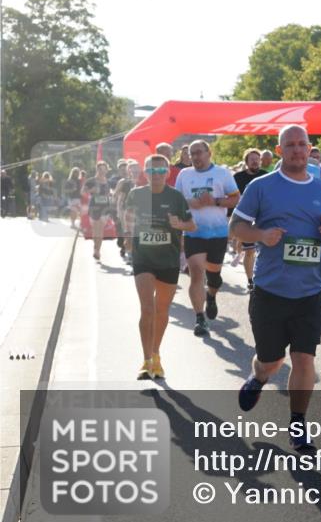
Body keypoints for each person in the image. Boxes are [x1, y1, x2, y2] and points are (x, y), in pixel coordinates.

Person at [232, 125, 321, 453]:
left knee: (304, 358)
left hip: (311, 291)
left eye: (302, 145)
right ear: (280, 150)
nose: (297, 150)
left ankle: (298, 423)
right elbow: (236, 226)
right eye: (290, 145)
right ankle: (259, 377)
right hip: (270, 290)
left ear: (309, 148)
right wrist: (262, 235)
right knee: (271, 360)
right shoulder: (261, 187)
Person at [124, 154, 196, 380]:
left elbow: (192, 225)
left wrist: (179, 224)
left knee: (161, 310)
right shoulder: (136, 194)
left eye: (160, 171)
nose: (156, 175)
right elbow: (127, 217)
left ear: (167, 173)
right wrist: (128, 234)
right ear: (145, 173)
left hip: (168, 259)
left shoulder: (175, 197)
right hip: (144, 258)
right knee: (146, 308)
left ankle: (156, 354)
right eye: (152, 171)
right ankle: (146, 361)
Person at [175, 140, 240, 337]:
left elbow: (236, 198)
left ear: (208, 153)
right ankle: (200, 318)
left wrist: (216, 201)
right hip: (193, 232)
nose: (195, 157)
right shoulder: (184, 175)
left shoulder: (222, 173)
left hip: (218, 233)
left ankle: (211, 295)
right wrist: (189, 203)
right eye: (191, 153)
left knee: (214, 274)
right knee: (196, 273)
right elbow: (175, 201)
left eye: (198, 153)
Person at [233, 148, 267, 290]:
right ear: (246, 162)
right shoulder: (238, 177)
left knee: (264, 251)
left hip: (263, 217)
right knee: (250, 251)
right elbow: (233, 198)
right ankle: (250, 280)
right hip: (245, 218)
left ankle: (264, 277)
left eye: (257, 159)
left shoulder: (266, 176)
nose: (254, 161)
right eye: (251, 159)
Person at [84, 161, 114, 260]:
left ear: (106, 170)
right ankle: (95, 247)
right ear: (97, 170)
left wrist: (111, 195)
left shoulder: (108, 181)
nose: (101, 171)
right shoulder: (91, 181)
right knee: (95, 229)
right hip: (94, 207)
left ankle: (97, 251)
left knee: (100, 229)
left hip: (105, 207)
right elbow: (83, 192)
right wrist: (91, 191)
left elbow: (111, 192)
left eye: (103, 169)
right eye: (99, 169)